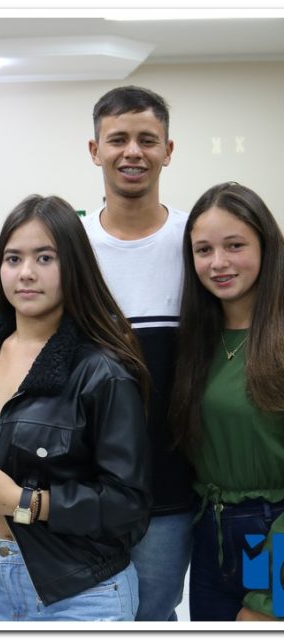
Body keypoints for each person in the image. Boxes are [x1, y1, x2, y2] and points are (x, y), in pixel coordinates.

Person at [0, 194, 151, 620]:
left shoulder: (101, 370)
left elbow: (128, 505)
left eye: (45, 258)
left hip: (81, 589)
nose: (26, 273)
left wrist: (23, 501)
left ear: (73, 266)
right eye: (13, 258)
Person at [83, 85, 194, 621]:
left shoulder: (197, 242)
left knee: (152, 616)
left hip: (172, 488)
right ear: (94, 150)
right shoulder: (72, 248)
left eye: (147, 140)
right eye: (118, 139)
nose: (133, 152)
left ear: (168, 151)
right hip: (87, 489)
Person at [170, 182, 284, 621]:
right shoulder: (197, 340)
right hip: (210, 536)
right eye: (204, 250)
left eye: (235, 245)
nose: (218, 263)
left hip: (270, 532)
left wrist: (269, 598)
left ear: (266, 246)